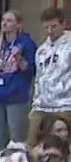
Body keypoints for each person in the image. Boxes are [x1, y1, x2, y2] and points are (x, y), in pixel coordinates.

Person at [0, 10, 35, 150]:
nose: (4, 23)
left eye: (9, 20)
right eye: (3, 20)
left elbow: (31, 71)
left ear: (18, 24)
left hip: (16, 95)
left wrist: (19, 59)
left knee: (16, 137)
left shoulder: (26, 43)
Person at [27, 8, 70, 145]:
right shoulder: (41, 50)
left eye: (54, 26)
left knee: (64, 143)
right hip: (42, 105)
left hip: (65, 104)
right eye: (46, 27)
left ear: (63, 24)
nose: (50, 31)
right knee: (32, 143)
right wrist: (35, 104)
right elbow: (38, 78)